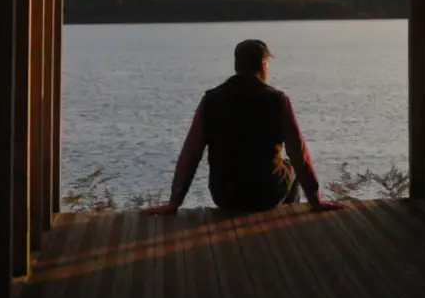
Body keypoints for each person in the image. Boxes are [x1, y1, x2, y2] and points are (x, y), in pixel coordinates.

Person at [142, 39, 341, 216]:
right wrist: (316, 200)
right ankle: (284, 220)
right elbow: (299, 152)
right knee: (291, 167)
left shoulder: (211, 100)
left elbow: (191, 153)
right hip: (267, 194)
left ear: (237, 64)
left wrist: (174, 203)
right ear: (263, 64)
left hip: (224, 196)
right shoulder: (277, 100)